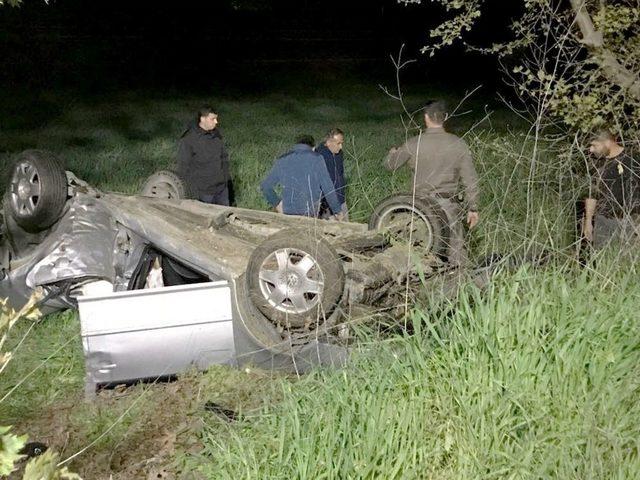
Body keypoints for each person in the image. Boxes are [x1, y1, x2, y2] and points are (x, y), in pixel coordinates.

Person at [384, 100, 480, 266]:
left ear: (426, 117)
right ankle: (461, 284)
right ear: (446, 117)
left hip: (420, 207)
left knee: (417, 253)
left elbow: (390, 165)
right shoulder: (458, 144)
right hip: (449, 205)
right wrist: (473, 208)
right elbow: (470, 179)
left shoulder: (414, 143)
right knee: (456, 253)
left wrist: (392, 153)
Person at [261, 135, 343, 218]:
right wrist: (337, 210)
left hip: (287, 212)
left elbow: (265, 186)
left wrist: (277, 203)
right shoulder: (317, 159)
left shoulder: (282, 160)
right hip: (309, 213)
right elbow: (327, 187)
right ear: (313, 148)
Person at [582, 129, 640, 247]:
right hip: (603, 221)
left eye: (594, 145)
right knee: (603, 261)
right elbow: (592, 194)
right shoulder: (596, 163)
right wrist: (588, 221)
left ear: (608, 142)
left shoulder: (633, 159)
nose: (591, 149)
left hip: (630, 221)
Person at [177, 105, 230, 205]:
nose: (216, 122)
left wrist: (226, 179)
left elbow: (224, 158)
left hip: (221, 189)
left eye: (216, 119)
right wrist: (187, 192)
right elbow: (183, 166)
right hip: (203, 193)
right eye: (213, 119)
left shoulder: (216, 135)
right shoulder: (189, 139)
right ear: (202, 119)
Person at [316, 128, 348, 220]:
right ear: (329, 142)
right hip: (326, 204)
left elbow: (340, 174)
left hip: (341, 199)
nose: (341, 147)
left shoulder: (339, 154)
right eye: (338, 143)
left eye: (342, 143)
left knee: (347, 228)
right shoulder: (319, 156)